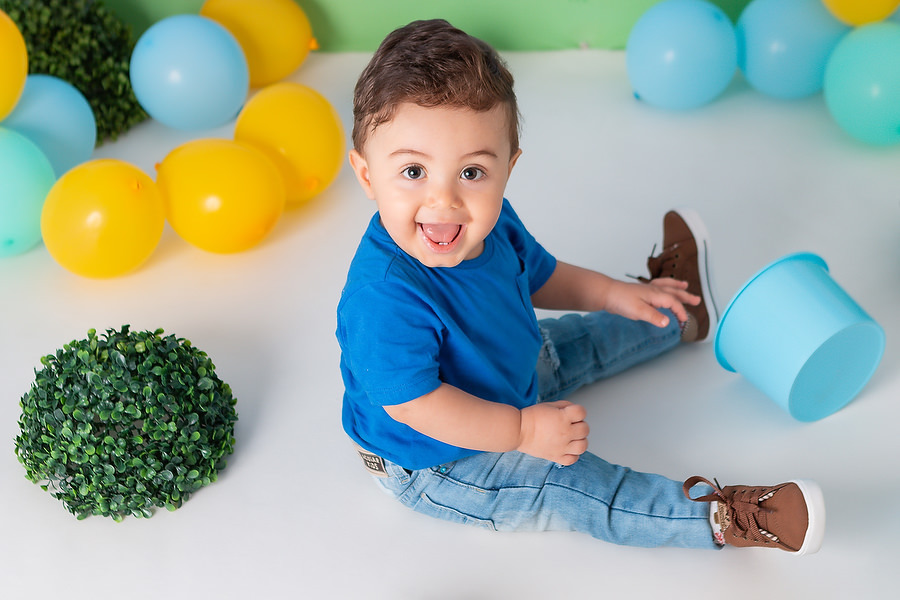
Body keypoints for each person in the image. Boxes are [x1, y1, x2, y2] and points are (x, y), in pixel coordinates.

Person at [336, 18, 825, 554]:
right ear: (366, 175)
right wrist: (522, 432)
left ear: (506, 168)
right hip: (437, 458)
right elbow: (417, 405)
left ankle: (675, 309)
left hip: (509, 372)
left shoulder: (492, 222)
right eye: (412, 172)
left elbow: (545, 276)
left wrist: (615, 293)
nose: (444, 200)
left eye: (472, 173)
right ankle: (723, 518)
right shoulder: (382, 297)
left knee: (578, 338)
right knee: (574, 486)